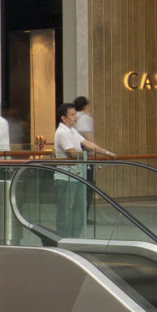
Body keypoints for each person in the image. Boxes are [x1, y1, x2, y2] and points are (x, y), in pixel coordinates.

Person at [51, 98, 91, 237]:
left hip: (77, 175)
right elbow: (72, 153)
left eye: (75, 114)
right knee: (65, 209)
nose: (75, 117)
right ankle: (63, 237)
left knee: (80, 208)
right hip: (66, 176)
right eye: (72, 115)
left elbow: (87, 143)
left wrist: (106, 152)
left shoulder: (73, 131)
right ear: (64, 118)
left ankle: (75, 236)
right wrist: (84, 154)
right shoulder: (61, 132)